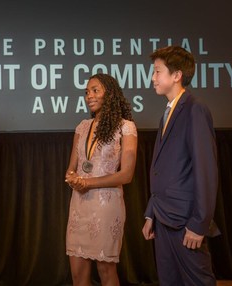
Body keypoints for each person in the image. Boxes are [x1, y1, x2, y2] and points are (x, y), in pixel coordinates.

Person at [142, 45, 220, 285]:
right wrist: (150, 213)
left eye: (157, 71)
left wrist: (199, 224)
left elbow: (206, 171)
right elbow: (163, 170)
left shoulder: (195, 110)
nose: (153, 78)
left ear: (176, 75)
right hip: (163, 218)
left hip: (186, 223)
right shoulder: (167, 113)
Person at [65, 73, 138, 286]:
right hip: (79, 205)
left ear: (110, 94)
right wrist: (73, 179)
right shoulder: (82, 126)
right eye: (87, 92)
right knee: (77, 273)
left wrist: (88, 183)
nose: (89, 95)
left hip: (107, 205)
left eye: (95, 90)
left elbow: (127, 174)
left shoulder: (126, 127)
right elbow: (72, 169)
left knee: (106, 270)